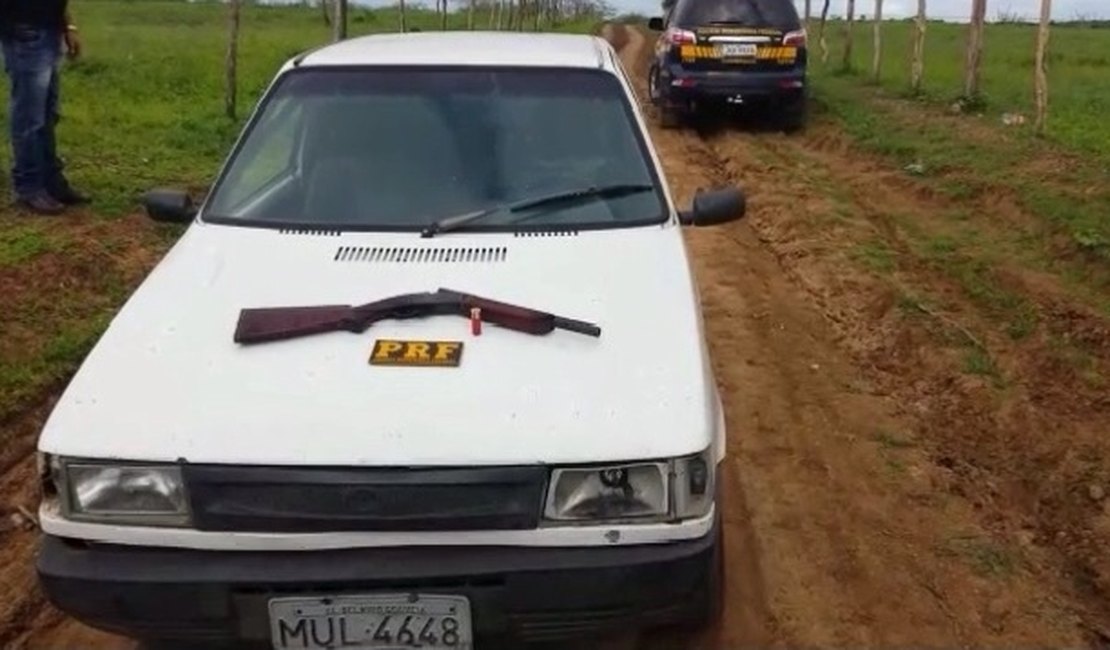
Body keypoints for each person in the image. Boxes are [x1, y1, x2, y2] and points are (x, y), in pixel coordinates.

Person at [0, 0, 88, 215]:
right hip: (24, 32)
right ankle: (29, 186)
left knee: (48, 113)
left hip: (49, 29)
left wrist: (68, 26)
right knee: (30, 118)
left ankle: (50, 180)